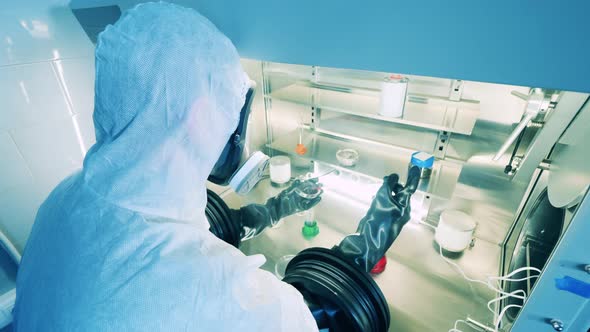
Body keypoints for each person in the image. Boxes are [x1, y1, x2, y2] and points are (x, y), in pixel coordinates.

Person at [14, 3, 319, 331]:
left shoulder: (62, 199)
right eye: (230, 113)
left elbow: (158, 235)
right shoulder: (223, 297)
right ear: (200, 118)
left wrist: (276, 209)